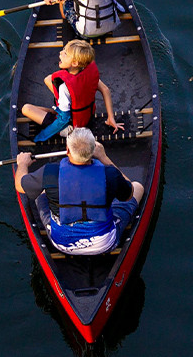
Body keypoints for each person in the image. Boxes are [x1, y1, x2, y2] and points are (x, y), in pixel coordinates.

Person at [14, 127, 145, 256]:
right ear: (93, 150)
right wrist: (104, 157)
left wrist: (22, 164)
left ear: (67, 150)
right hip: (104, 244)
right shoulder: (110, 174)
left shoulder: (49, 173)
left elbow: (20, 186)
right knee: (138, 187)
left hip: (63, 244)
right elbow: (129, 194)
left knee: (41, 190)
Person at [21, 39, 124, 142]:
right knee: (48, 79)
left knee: (26, 109)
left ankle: (61, 123)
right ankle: (57, 110)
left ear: (74, 63)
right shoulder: (87, 69)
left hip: (72, 126)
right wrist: (111, 117)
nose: (60, 53)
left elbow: (63, 120)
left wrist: (41, 136)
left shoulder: (64, 86)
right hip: (87, 116)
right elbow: (105, 90)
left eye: (65, 53)